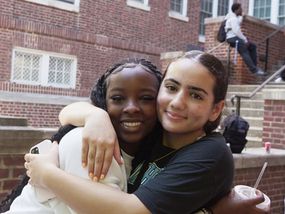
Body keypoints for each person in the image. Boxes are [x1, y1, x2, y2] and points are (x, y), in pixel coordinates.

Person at [24, 50, 236, 214]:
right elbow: (67, 113)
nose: (177, 102)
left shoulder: (211, 154)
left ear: (216, 109)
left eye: (196, 96)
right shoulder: (153, 133)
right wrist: (95, 116)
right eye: (171, 87)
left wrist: (47, 175)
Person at [3, 58, 162, 213]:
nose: (131, 108)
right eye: (118, 98)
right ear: (103, 103)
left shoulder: (150, 154)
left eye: (146, 98)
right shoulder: (85, 142)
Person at [225, 3, 266, 76]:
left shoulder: (234, 18)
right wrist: (245, 39)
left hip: (234, 38)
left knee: (252, 46)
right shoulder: (233, 19)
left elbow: (238, 22)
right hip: (233, 38)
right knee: (244, 51)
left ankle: (255, 67)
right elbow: (236, 31)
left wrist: (242, 16)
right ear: (236, 10)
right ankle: (254, 70)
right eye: (240, 9)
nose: (242, 10)